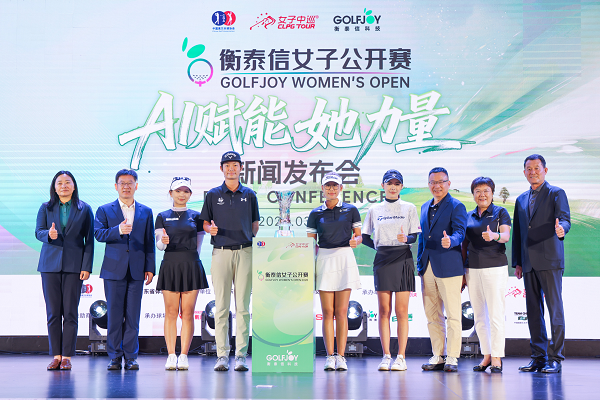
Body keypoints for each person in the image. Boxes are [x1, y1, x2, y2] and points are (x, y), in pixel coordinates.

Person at [199, 151, 259, 372]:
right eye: (227, 165)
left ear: (241, 168)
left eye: (235, 165)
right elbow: (205, 223)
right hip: (221, 252)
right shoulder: (213, 194)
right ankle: (222, 355)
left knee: (243, 307)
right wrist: (210, 229)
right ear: (221, 168)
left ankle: (241, 355)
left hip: (245, 252)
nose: (231, 169)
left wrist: (246, 236)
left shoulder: (249, 194)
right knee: (221, 307)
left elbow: (255, 224)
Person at [512, 154, 570, 373]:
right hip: (528, 262)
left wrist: (562, 229)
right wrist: (517, 262)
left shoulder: (556, 193)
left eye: (537, 168)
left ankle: (555, 358)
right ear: (524, 172)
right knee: (533, 312)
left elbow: (565, 219)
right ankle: (538, 357)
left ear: (545, 170)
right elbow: (518, 233)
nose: (533, 172)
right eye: (529, 169)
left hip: (550, 259)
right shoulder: (520, 199)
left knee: (555, 309)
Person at [94, 169, 155, 371]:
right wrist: (118, 230)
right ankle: (114, 356)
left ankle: (131, 357)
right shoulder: (104, 210)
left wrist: (150, 267)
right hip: (113, 270)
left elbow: (149, 242)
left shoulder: (146, 211)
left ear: (136, 186)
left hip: (137, 270)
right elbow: (98, 234)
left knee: (132, 316)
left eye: (130, 183)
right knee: (114, 315)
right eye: (122, 183)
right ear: (116, 186)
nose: (126, 186)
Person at [362, 170, 421, 371]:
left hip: (403, 257)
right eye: (389, 183)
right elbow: (365, 236)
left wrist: (407, 239)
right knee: (384, 310)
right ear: (383, 185)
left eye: (397, 184)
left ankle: (401, 357)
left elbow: (414, 236)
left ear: (401, 187)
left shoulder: (410, 207)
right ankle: (386, 356)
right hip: (383, 259)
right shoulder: (374, 209)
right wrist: (379, 246)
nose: (393, 187)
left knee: (401, 311)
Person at [35, 171, 94, 371]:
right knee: (53, 312)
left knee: (70, 312)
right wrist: (48, 234)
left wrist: (86, 266)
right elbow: (38, 231)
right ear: (54, 187)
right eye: (59, 183)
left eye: (67, 182)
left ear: (74, 186)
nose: (64, 186)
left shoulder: (84, 209)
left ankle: (67, 356)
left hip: (74, 267)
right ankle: (56, 356)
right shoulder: (46, 207)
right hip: (49, 266)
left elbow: (89, 240)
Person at [307, 171, 362, 371]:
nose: (331, 189)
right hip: (324, 258)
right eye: (328, 186)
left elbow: (358, 236)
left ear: (341, 188)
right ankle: (330, 356)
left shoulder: (351, 210)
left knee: (341, 312)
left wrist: (356, 241)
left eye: (335, 186)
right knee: (327, 312)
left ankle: (341, 356)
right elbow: (310, 243)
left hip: (345, 257)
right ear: (322, 188)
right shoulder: (315, 213)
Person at [155, 177, 209, 370]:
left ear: (190, 194)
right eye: (178, 191)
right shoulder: (162, 216)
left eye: (186, 191)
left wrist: (191, 259)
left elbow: (199, 244)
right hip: (170, 264)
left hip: (190, 265)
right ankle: (171, 355)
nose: (182, 194)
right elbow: (159, 245)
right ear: (171, 193)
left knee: (187, 313)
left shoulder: (197, 216)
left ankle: (184, 356)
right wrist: (163, 242)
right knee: (170, 312)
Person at [417, 167, 467, 372]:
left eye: (440, 182)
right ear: (428, 184)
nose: (436, 186)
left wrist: (451, 240)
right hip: (427, 266)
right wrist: (420, 264)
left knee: (453, 315)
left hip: (449, 266)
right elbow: (422, 237)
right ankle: (438, 354)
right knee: (432, 314)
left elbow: (461, 232)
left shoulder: (457, 206)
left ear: (448, 183)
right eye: (433, 182)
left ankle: (452, 357)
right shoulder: (424, 207)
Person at [461, 177, 511, 373]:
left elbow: (506, 236)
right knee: (479, 316)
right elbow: (464, 245)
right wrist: (462, 272)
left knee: (495, 314)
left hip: (495, 267)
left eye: (486, 191)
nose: (482, 195)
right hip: (472, 269)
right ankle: (487, 355)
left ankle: (497, 357)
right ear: (473, 194)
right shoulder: (468, 215)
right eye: (478, 191)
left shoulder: (500, 212)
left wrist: (494, 236)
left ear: (492, 193)